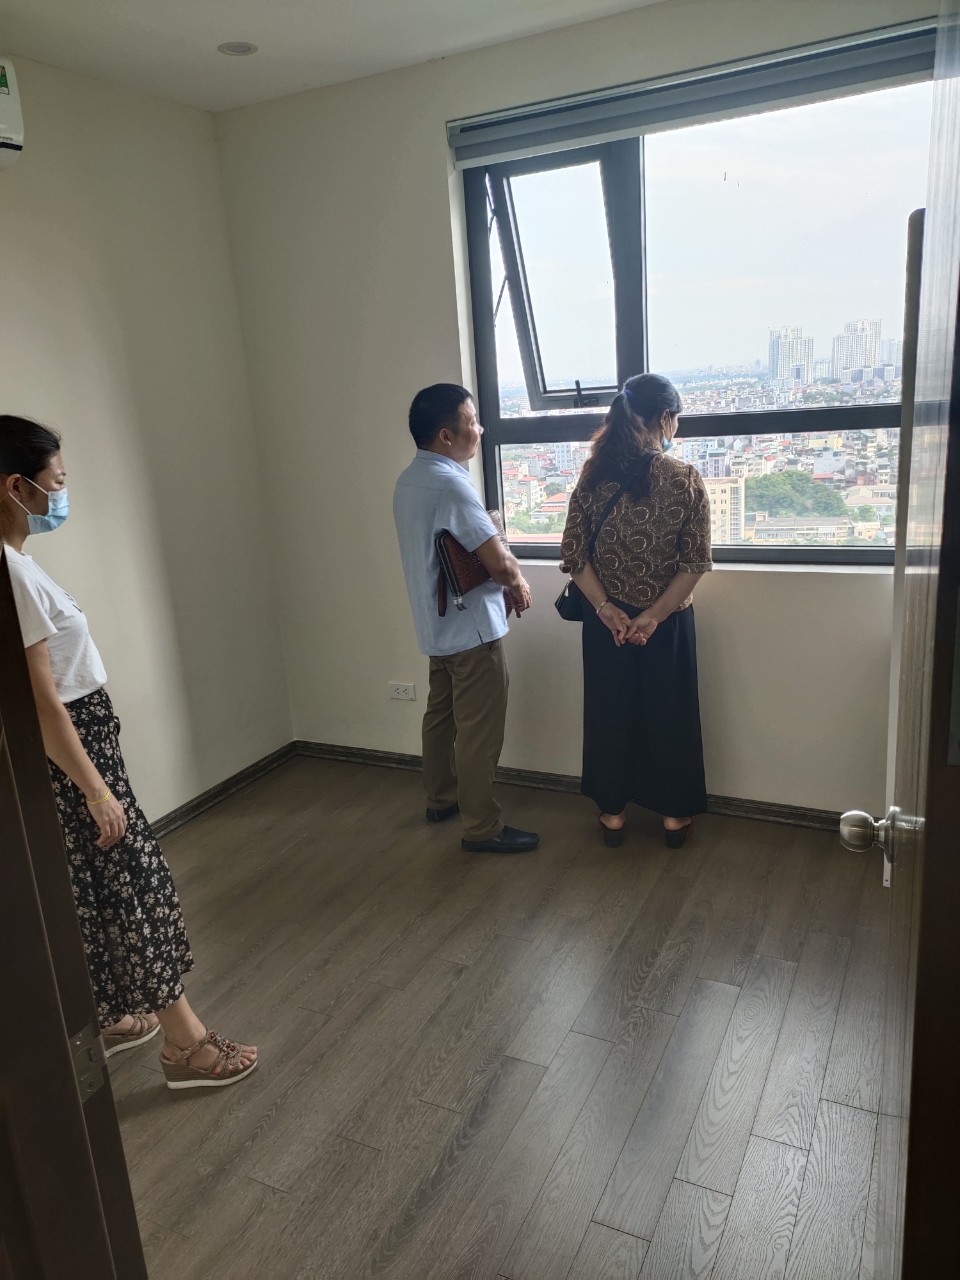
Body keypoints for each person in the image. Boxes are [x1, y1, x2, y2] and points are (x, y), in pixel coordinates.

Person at [0, 414, 257, 1089]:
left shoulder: (17, 563)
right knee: (129, 889)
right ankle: (186, 1047)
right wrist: (95, 790)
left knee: (95, 888)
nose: (62, 493)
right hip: (74, 754)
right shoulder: (10, 572)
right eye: (56, 481)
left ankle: (113, 1017)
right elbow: (42, 703)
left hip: (80, 746)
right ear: (16, 487)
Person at [559, 373, 712, 849]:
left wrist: (606, 608)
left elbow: (573, 555)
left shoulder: (592, 475)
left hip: (607, 623)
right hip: (666, 623)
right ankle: (674, 818)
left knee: (610, 712)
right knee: (670, 715)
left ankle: (612, 815)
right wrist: (655, 616)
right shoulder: (684, 478)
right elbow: (694, 563)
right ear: (665, 418)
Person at [394, 384, 539, 854]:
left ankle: (440, 799)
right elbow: (499, 563)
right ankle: (483, 827)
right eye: (472, 421)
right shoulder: (452, 485)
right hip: (472, 630)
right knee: (479, 731)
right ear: (446, 435)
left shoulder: (409, 480)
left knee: (440, 718)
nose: (480, 429)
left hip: (435, 627)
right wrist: (518, 582)